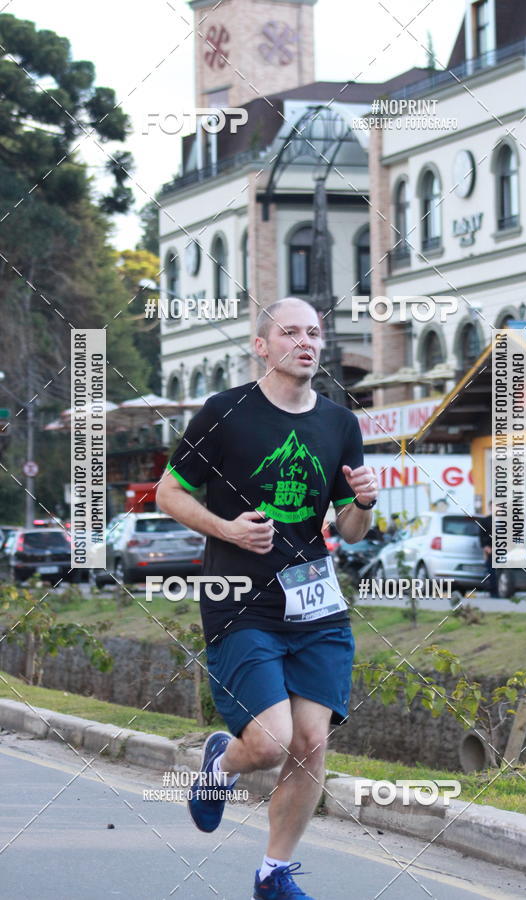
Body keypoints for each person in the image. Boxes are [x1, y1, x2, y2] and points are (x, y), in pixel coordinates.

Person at [156, 297, 377, 900]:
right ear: (262, 345)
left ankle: (272, 874)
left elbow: (350, 532)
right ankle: (220, 765)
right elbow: (167, 493)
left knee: (311, 743)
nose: (305, 342)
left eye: (314, 333)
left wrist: (361, 502)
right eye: (290, 333)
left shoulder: (339, 423)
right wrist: (226, 529)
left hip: (316, 606)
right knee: (271, 742)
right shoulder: (224, 413)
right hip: (241, 604)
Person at [478, 501, 498, 598]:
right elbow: (482, 536)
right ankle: (493, 591)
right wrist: (486, 547)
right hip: (491, 549)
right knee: (492, 571)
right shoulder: (485, 521)